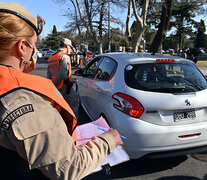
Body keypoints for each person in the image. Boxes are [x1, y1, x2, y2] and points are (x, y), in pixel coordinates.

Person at [0, 2, 123, 180]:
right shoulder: (22, 99)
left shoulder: (53, 56)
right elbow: (68, 168)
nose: (35, 50)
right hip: (63, 90)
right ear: (22, 47)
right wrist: (108, 140)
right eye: (33, 44)